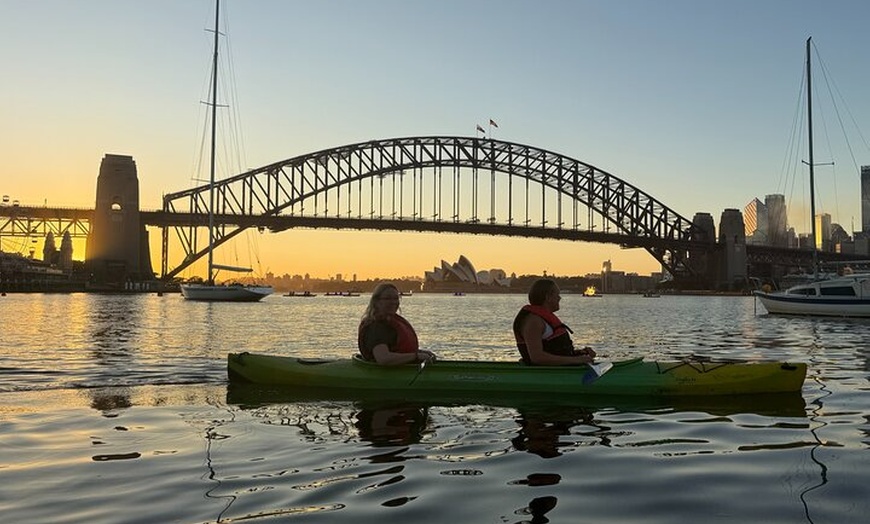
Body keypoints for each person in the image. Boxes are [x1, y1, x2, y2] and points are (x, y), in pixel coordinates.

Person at [512, 278, 596, 365]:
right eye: (557, 294)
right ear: (548, 297)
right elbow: (537, 358)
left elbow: (554, 351)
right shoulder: (534, 322)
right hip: (545, 374)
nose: (560, 298)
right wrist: (578, 360)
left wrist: (580, 353)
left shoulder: (542, 320)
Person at [358, 282, 436, 365]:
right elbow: (383, 358)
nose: (393, 302)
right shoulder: (376, 327)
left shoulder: (390, 323)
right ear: (377, 301)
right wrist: (416, 356)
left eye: (396, 298)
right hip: (384, 373)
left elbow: (398, 350)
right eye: (388, 298)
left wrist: (422, 353)